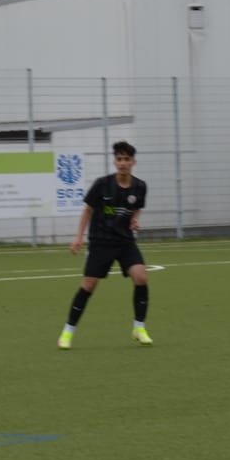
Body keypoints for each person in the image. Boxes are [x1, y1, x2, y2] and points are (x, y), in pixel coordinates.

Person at [57, 140, 152, 349]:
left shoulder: (140, 186)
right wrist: (78, 237)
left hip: (125, 242)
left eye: (126, 159)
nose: (123, 163)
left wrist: (135, 220)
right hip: (101, 242)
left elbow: (136, 208)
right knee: (88, 285)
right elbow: (87, 210)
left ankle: (139, 328)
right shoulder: (102, 184)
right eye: (119, 159)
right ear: (115, 161)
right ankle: (67, 332)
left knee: (141, 277)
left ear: (133, 162)